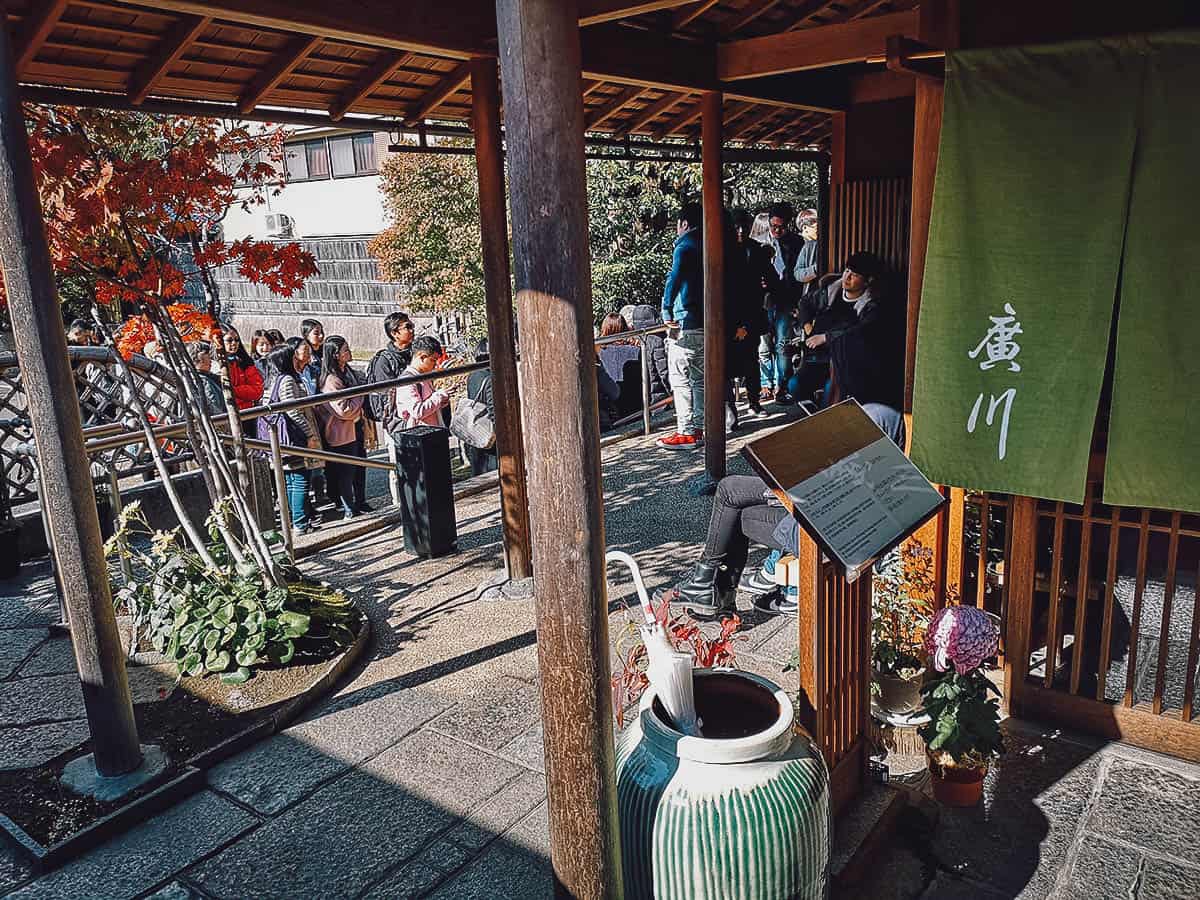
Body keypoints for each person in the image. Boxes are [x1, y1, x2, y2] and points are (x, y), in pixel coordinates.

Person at [655, 400, 908, 620]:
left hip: (830, 531)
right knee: (736, 513)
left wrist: (781, 485)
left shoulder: (873, 413)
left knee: (728, 490)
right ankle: (717, 591)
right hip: (846, 523)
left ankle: (709, 586)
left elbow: (830, 488)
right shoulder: (887, 413)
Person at [789, 251, 887, 407]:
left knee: (830, 393)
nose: (846, 277)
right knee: (795, 386)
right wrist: (807, 326)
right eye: (847, 271)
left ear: (868, 281)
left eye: (854, 275)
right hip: (818, 359)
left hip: (844, 365)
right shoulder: (832, 291)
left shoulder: (870, 306)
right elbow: (805, 303)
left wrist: (826, 337)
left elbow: (860, 332)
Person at [657, 201, 705, 450]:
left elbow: (674, 279)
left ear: (684, 224)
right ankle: (699, 427)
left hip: (685, 321)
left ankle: (686, 431)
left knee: (680, 377)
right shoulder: (711, 243)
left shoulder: (685, 246)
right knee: (699, 378)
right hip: (707, 321)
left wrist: (666, 309)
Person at [261, 343, 322, 534]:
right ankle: (300, 522)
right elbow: (292, 411)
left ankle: (296, 520)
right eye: (293, 355)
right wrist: (310, 434)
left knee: (289, 480)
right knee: (300, 479)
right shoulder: (287, 380)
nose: (297, 358)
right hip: (292, 437)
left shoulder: (271, 380)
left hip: (279, 438)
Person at [729, 209, 772, 423]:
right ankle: (729, 408)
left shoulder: (756, 250)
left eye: (744, 226)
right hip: (728, 316)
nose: (740, 231)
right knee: (725, 365)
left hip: (752, 313)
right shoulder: (721, 251)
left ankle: (754, 401)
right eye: (736, 226)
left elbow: (771, 280)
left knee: (752, 361)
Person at [317, 335, 367, 519]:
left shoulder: (348, 372)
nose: (349, 352)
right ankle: (348, 508)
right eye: (345, 349)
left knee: (359, 468)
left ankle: (360, 502)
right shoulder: (331, 381)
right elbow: (344, 410)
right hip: (340, 432)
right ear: (336, 355)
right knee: (345, 473)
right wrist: (360, 396)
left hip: (354, 429)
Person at [762, 202, 805, 403]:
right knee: (763, 344)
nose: (777, 230)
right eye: (773, 226)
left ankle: (783, 386)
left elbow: (797, 275)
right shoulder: (762, 242)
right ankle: (765, 383)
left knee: (782, 344)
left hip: (787, 299)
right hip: (764, 299)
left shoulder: (797, 243)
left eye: (781, 227)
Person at [367, 311, 416, 431]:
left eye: (412, 326)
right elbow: (386, 396)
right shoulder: (384, 361)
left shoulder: (415, 353)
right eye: (407, 327)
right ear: (394, 333)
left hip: (418, 413)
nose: (412, 330)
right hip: (398, 421)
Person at [393, 335, 450, 429]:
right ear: (422, 357)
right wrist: (439, 396)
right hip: (420, 436)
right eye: (433, 360)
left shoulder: (423, 376)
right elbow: (418, 411)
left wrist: (442, 401)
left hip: (432, 431)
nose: (435, 365)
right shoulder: (407, 380)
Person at [618, 303, 671, 403]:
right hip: (663, 401)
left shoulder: (642, 342)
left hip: (652, 399)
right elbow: (664, 373)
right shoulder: (657, 340)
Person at [597, 313, 643, 419]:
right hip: (635, 405)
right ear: (625, 328)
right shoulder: (636, 350)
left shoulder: (598, 350)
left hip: (610, 407)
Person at [464, 338, 498, 476]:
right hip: (489, 436)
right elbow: (493, 410)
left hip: (476, 431)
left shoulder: (473, 375)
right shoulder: (490, 377)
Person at [220, 325, 263, 410]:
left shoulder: (245, 362)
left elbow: (257, 390)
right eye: (229, 340)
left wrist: (232, 390)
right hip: (224, 414)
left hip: (246, 413)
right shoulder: (213, 365)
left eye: (237, 340)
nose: (234, 343)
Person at [186, 340, 225, 414]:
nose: (210, 361)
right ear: (200, 360)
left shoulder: (191, 378)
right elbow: (215, 408)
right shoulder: (204, 381)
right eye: (208, 357)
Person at [793, 209, 820, 304]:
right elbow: (797, 273)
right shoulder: (807, 246)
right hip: (811, 294)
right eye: (814, 226)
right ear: (805, 228)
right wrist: (814, 270)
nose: (817, 229)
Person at [299, 318, 324, 393]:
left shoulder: (324, 350)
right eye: (316, 333)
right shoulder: (304, 355)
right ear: (306, 335)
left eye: (322, 332)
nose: (321, 336)